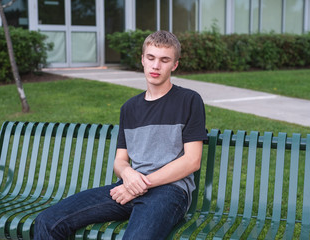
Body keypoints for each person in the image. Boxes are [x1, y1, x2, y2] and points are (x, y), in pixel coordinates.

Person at [34, 30, 207, 240]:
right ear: (142, 59)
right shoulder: (130, 108)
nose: (155, 66)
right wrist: (128, 175)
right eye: (150, 58)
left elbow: (192, 161)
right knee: (48, 221)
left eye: (164, 60)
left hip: (169, 191)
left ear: (175, 65)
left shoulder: (189, 100)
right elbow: (120, 160)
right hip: (128, 185)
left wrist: (140, 185)